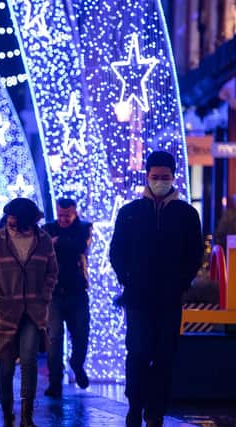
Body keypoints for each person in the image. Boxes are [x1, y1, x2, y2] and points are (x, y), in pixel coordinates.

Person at [110, 151, 203, 427]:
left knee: (164, 355)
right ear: (147, 177)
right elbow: (117, 251)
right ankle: (134, 405)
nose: (160, 182)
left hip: (170, 299)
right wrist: (128, 278)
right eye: (155, 177)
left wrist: (182, 282)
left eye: (165, 177)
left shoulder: (187, 214)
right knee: (138, 352)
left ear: (174, 178)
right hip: (137, 298)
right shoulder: (130, 213)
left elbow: (194, 254)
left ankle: (155, 411)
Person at [0, 198, 57, 427]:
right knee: (5, 366)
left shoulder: (43, 241)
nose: (9, 221)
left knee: (29, 359)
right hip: (6, 311)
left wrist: (44, 295)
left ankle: (26, 415)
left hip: (33, 311)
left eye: (14, 217)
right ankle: (7, 414)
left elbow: (52, 272)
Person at [42, 197, 92, 397]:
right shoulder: (48, 228)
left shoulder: (84, 228)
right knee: (54, 339)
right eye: (60, 215)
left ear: (75, 213)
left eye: (67, 216)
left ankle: (77, 365)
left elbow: (81, 247)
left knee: (81, 336)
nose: (62, 220)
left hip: (77, 292)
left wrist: (58, 242)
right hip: (54, 293)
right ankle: (55, 382)